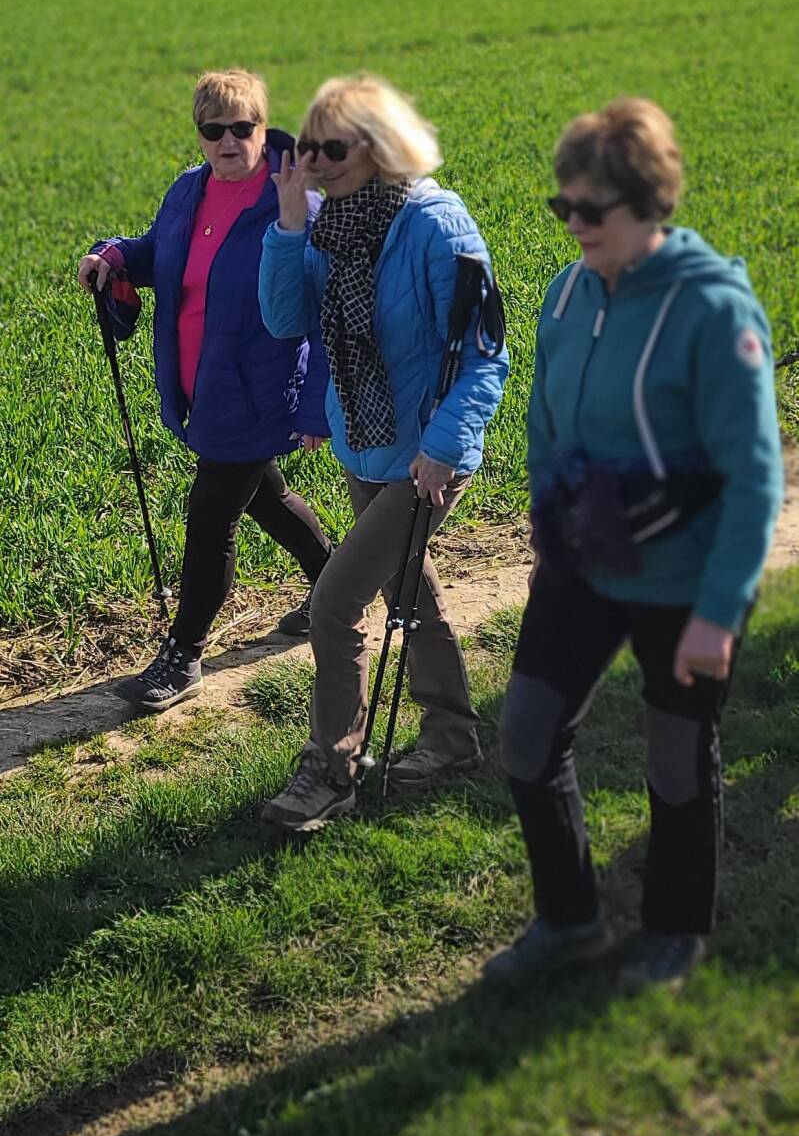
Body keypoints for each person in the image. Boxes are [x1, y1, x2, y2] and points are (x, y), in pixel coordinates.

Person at [484, 97, 783, 991]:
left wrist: (718, 613)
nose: (573, 223)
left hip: (685, 579)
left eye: (591, 209)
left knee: (674, 757)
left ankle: (674, 930)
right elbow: (544, 425)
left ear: (649, 203)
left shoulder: (712, 311)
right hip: (584, 559)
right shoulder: (567, 291)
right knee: (525, 735)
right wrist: (548, 527)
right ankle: (570, 919)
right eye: (562, 205)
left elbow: (754, 478)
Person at [258, 74, 509, 830]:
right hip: (364, 446)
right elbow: (285, 320)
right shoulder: (331, 224)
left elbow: (486, 356)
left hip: (425, 458)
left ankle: (331, 770)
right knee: (410, 594)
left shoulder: (438, 224)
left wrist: (444, 447)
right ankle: (453, 737)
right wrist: (288, 225)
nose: (315, 161)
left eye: (332, 149)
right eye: (308, 146)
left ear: (379, 147)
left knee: (334, 606)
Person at [78, 69, 333, 712]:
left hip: (261, 391)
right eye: (213, 130)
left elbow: (325, 311)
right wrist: (113, 257)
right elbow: (159, 253)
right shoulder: (189, 191)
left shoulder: (292, 203)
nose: (228, 141)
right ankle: (336, 587)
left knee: (212, 514)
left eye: (242, 127)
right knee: (265, 496)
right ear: (198, 135)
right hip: (204, 386)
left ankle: (183, 653)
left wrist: (315, 408)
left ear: (263, 127)